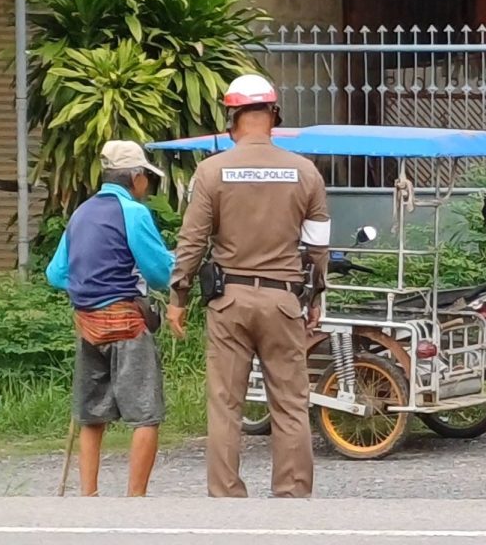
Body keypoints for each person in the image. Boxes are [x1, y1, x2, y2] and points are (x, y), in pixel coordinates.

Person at [166, 73, 330, 498]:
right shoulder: (305, 172)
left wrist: (178, 296)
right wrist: (316, 296)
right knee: (290, 405)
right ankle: (292, 496)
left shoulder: (211, 172)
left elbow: (192, 240)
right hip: (284, 300)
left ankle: (226, 497)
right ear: (274, 115)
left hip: (230, 300)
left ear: (232, 118)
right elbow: (318, 247)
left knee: (225, 405)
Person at [46, 140, 176, 497]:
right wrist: (177, 262)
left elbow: (56, 274)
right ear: (136, 177)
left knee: (91, 415)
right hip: (126, 323)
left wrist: (90, 285)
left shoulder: (81, 213)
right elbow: (159, 274)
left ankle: (88, 496)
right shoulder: (134, 213)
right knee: (146, 413)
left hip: (88, 324)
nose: (147, 184)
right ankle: (135, 499)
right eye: (146, 176)